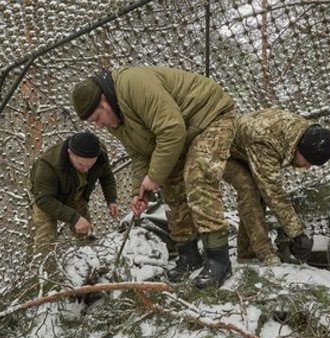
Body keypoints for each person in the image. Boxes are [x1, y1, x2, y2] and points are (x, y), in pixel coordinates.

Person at [71, 66, 236, 288]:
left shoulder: (134, 84)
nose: (98, 126)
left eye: (97, 117)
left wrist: (155, 176)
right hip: (183, 134)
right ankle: (188, 255)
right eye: (93, 123)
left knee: (198, 177)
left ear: (103, 100)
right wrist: (140, 190)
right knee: (172, 188)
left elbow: (171, 129)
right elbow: (140, 153)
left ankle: (218, 259)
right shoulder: (115, 119)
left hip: (210, 118)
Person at [223, 108, 330, 266]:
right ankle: (263, 254)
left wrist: (295, 232)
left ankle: (247, 254)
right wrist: (297, 233)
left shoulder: (300, 133)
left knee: (260, 192)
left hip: (246, 149)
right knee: (249, 189)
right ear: (301, 148)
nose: (307, 167)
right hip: (222, 150)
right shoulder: (267, 141)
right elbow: (273, 193)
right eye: (308, 161)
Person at [29, 132, 119, 261]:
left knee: (86, 233)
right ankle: (44, 274)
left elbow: (107, 176)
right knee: (46, 238)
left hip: (76, 193)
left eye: (90, 165)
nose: (86, 170)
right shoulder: (47, 164)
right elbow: (43, 199)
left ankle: (91, 264)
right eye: (81, 165)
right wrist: (74, 217)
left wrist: (111, 200)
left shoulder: (100, 154)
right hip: (47, 198)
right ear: (70, 153)